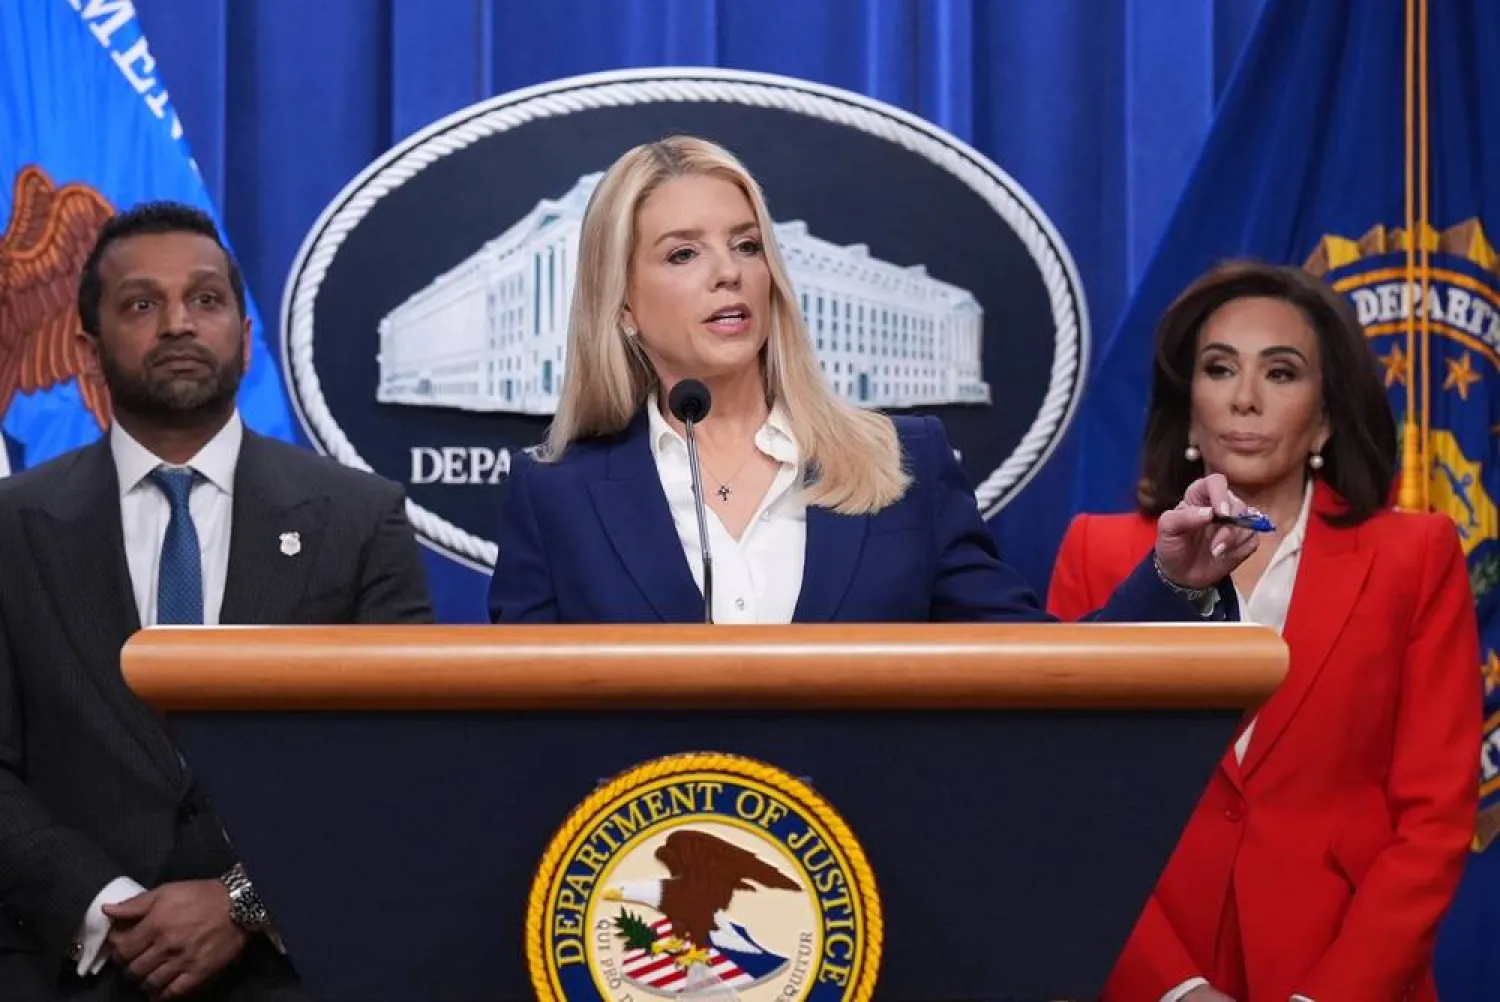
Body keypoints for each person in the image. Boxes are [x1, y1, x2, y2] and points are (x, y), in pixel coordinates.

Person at [487, 135, 1257, 626]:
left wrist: (1172, 580)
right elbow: (519, 741)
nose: (728, 274)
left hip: (865, 872)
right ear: (621, 305)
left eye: (747, 245)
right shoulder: (559, 493)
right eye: (683, 254)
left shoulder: (904, 463)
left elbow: (1037, 673)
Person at [0, 202, 434, 1000]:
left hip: (297, 968)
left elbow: (398, 758)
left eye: (205, 300)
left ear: (242, 330)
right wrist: (104, 908)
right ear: (88, 349)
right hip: (70, 970)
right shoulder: (11, 527)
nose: (176, 324)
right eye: (141, 304)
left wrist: (243, 902)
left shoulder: (358, 517)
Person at [1047, 261, 1480, 1002]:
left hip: (1346, 967)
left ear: (1326, 415)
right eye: (1219, 370)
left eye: (1281, 374)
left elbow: (1434, 815)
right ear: (1189, 411)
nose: (1245, 399)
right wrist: (1175, 988)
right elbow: (1066, 799)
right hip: (1146, 966)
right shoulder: (1100, 552)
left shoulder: (1416, 556)